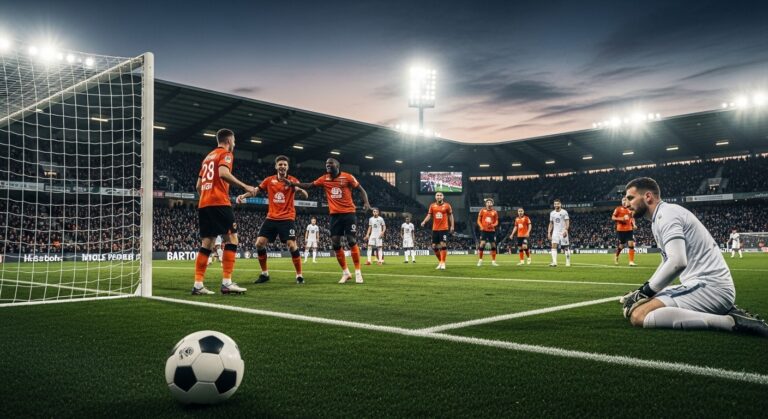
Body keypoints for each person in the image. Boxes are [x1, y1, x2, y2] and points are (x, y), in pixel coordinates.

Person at [620, 177, 768, 337]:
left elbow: (678, 262)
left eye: (630, 198)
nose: (626, 204)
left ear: (648, 196)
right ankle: (724, 311)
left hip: (710, 287)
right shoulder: (660, 217)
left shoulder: (666, 215)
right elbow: (666, 261)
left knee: (639, 316)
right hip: (703, 285)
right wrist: (645, 290)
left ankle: (731, 322)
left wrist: (645, 292)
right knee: (638, 306)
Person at [284, 158, 371, 284]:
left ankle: (358, 272)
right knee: (335, 243)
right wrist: (293, 184)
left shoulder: (348, 177)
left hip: (349, 213)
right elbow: (309, 185)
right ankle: (346, 273)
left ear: (337, 165)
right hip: (335, 216)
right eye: (326, 164)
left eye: (330, 164)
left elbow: (361, 190)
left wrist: (366, 203)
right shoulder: (324, 178)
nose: (328, 165)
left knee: (351, 240)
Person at [192, 128, 255, 295]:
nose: (234, 144)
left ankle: (198, 285)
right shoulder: (225, 154)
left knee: (207, 244)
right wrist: (245, 186)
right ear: (228, 141)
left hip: (204, 204)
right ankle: (227, 283)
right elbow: (223, 173)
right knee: (232, 239)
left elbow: (198, 186)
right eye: (233, 141)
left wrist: (207, 197)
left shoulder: (207, 158)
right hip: (219, 202)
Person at [237, 155, 308, 284]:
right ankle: (265, 274)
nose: (282, 166)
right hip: (271, 217)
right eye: (280, 164)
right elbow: (256, 190)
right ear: (276, 166)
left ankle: (299, 275)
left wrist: (297, 188)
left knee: (292, 245)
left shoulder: (292, 180)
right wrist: (244, 195)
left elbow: (305, 194)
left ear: (287, 167)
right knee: (259, 244)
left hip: (287, 218)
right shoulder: (269, 180)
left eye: (284, 165)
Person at [420, 192, 454, 270]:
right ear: (435, 197)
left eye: (440, 195)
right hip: (435, 229)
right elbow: (429, 215)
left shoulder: (447, 205)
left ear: (443, 197)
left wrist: (452, 226)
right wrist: (424, 221)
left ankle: (443, 263)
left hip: (444, 228)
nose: (439, 197)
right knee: (434, 246)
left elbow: (451, 216)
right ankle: (440, 262)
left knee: (443, 244)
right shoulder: (432, 206)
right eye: (437, 195)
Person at [612, 197, 637, 266]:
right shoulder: (618, 209)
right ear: (621, 202)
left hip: (629, 229)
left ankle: (631, 261)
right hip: (620, 230)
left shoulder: (630, 210)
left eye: (626, 200)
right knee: (622, 246)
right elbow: (613, 217)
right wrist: (621, 218)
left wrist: (634, 225)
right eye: (623, 200)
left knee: (631, 244)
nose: (624, 201)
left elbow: (632, 218)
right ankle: (616, 256)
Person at [547, 199, 571, 267]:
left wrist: (566, 230)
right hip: (555, 232)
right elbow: (551, 223)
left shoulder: (564, 212)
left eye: (557, 204)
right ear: (554, 205)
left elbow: (567, 222)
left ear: (560, 204)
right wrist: (549, 232)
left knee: (566, 247)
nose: (556, 205)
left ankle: (568, 261)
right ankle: (554, 262)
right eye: (555, 204)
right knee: (553, 246)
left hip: (563, 231)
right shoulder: (552, 213)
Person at [476, 198, 499, 267]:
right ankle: (480, 260)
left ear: (492, 204)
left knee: (493, 245)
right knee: (482, 244)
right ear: (486, 204)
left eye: (490, 202)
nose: (489, 203)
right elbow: (478, 220)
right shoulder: (482, 211)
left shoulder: (494, 212)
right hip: (484, 230)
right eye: (488, 202)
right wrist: (481, 226)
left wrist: (493, 225)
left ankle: (493, 261)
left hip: (492, 231)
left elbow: (496, 221)